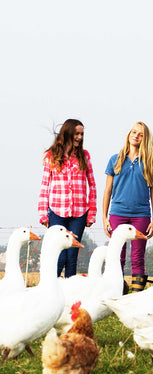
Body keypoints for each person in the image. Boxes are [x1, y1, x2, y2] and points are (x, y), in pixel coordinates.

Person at [103, 121, 153, 293]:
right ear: (128, 134)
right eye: (133, 132)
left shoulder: (149, 162)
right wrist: (104, 216)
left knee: (137, 256)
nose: (136, 135)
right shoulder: (115, 159)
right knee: (117, 255)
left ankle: (136, 296)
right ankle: (116, 291)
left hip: (141, 214)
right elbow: (107, 190)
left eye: (140, 134)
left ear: (145, 139)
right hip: (117, 212)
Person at [38, 118, 97, 277]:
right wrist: (43, 213)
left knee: (72, 255)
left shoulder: (84, 156)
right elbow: (45, 185)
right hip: (57, 212)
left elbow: (92, 185)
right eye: (76, 133)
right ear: (68, 133)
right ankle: (51, 286)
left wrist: (91, 213)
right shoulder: (52, 156)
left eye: (82, 134)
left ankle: (71, 292)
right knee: (59, 254)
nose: (79, 137)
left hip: (79, 213)